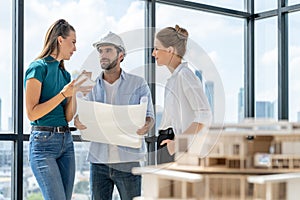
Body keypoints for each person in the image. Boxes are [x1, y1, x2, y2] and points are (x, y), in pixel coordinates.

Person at [74, 32, 155, 200]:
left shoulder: (138, 83)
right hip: (98, 162)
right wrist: (78, 120)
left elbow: (149, 116)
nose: (103, 55)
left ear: (121, 55)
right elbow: (79, 114)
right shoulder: (89, 85)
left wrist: (147, 124)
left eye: (108, 51)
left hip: (128, 161)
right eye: (100, 51)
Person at [24, 19, 90, 200]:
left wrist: (73, 93)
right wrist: (62, 94)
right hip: (43, 144)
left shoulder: (65, 74)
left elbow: (67, 116)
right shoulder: (37, 68)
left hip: (66, 142)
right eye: (73, 42)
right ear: (60, 40)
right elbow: (32, 113)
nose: (75, 48)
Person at [152, 25, 212, 164]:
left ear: (170, 50)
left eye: (156, 48)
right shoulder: (173, 79)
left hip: (178, 147)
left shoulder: (184, 75)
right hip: (168, 142)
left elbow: (204, 114)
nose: (153, 53)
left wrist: (177, 143)